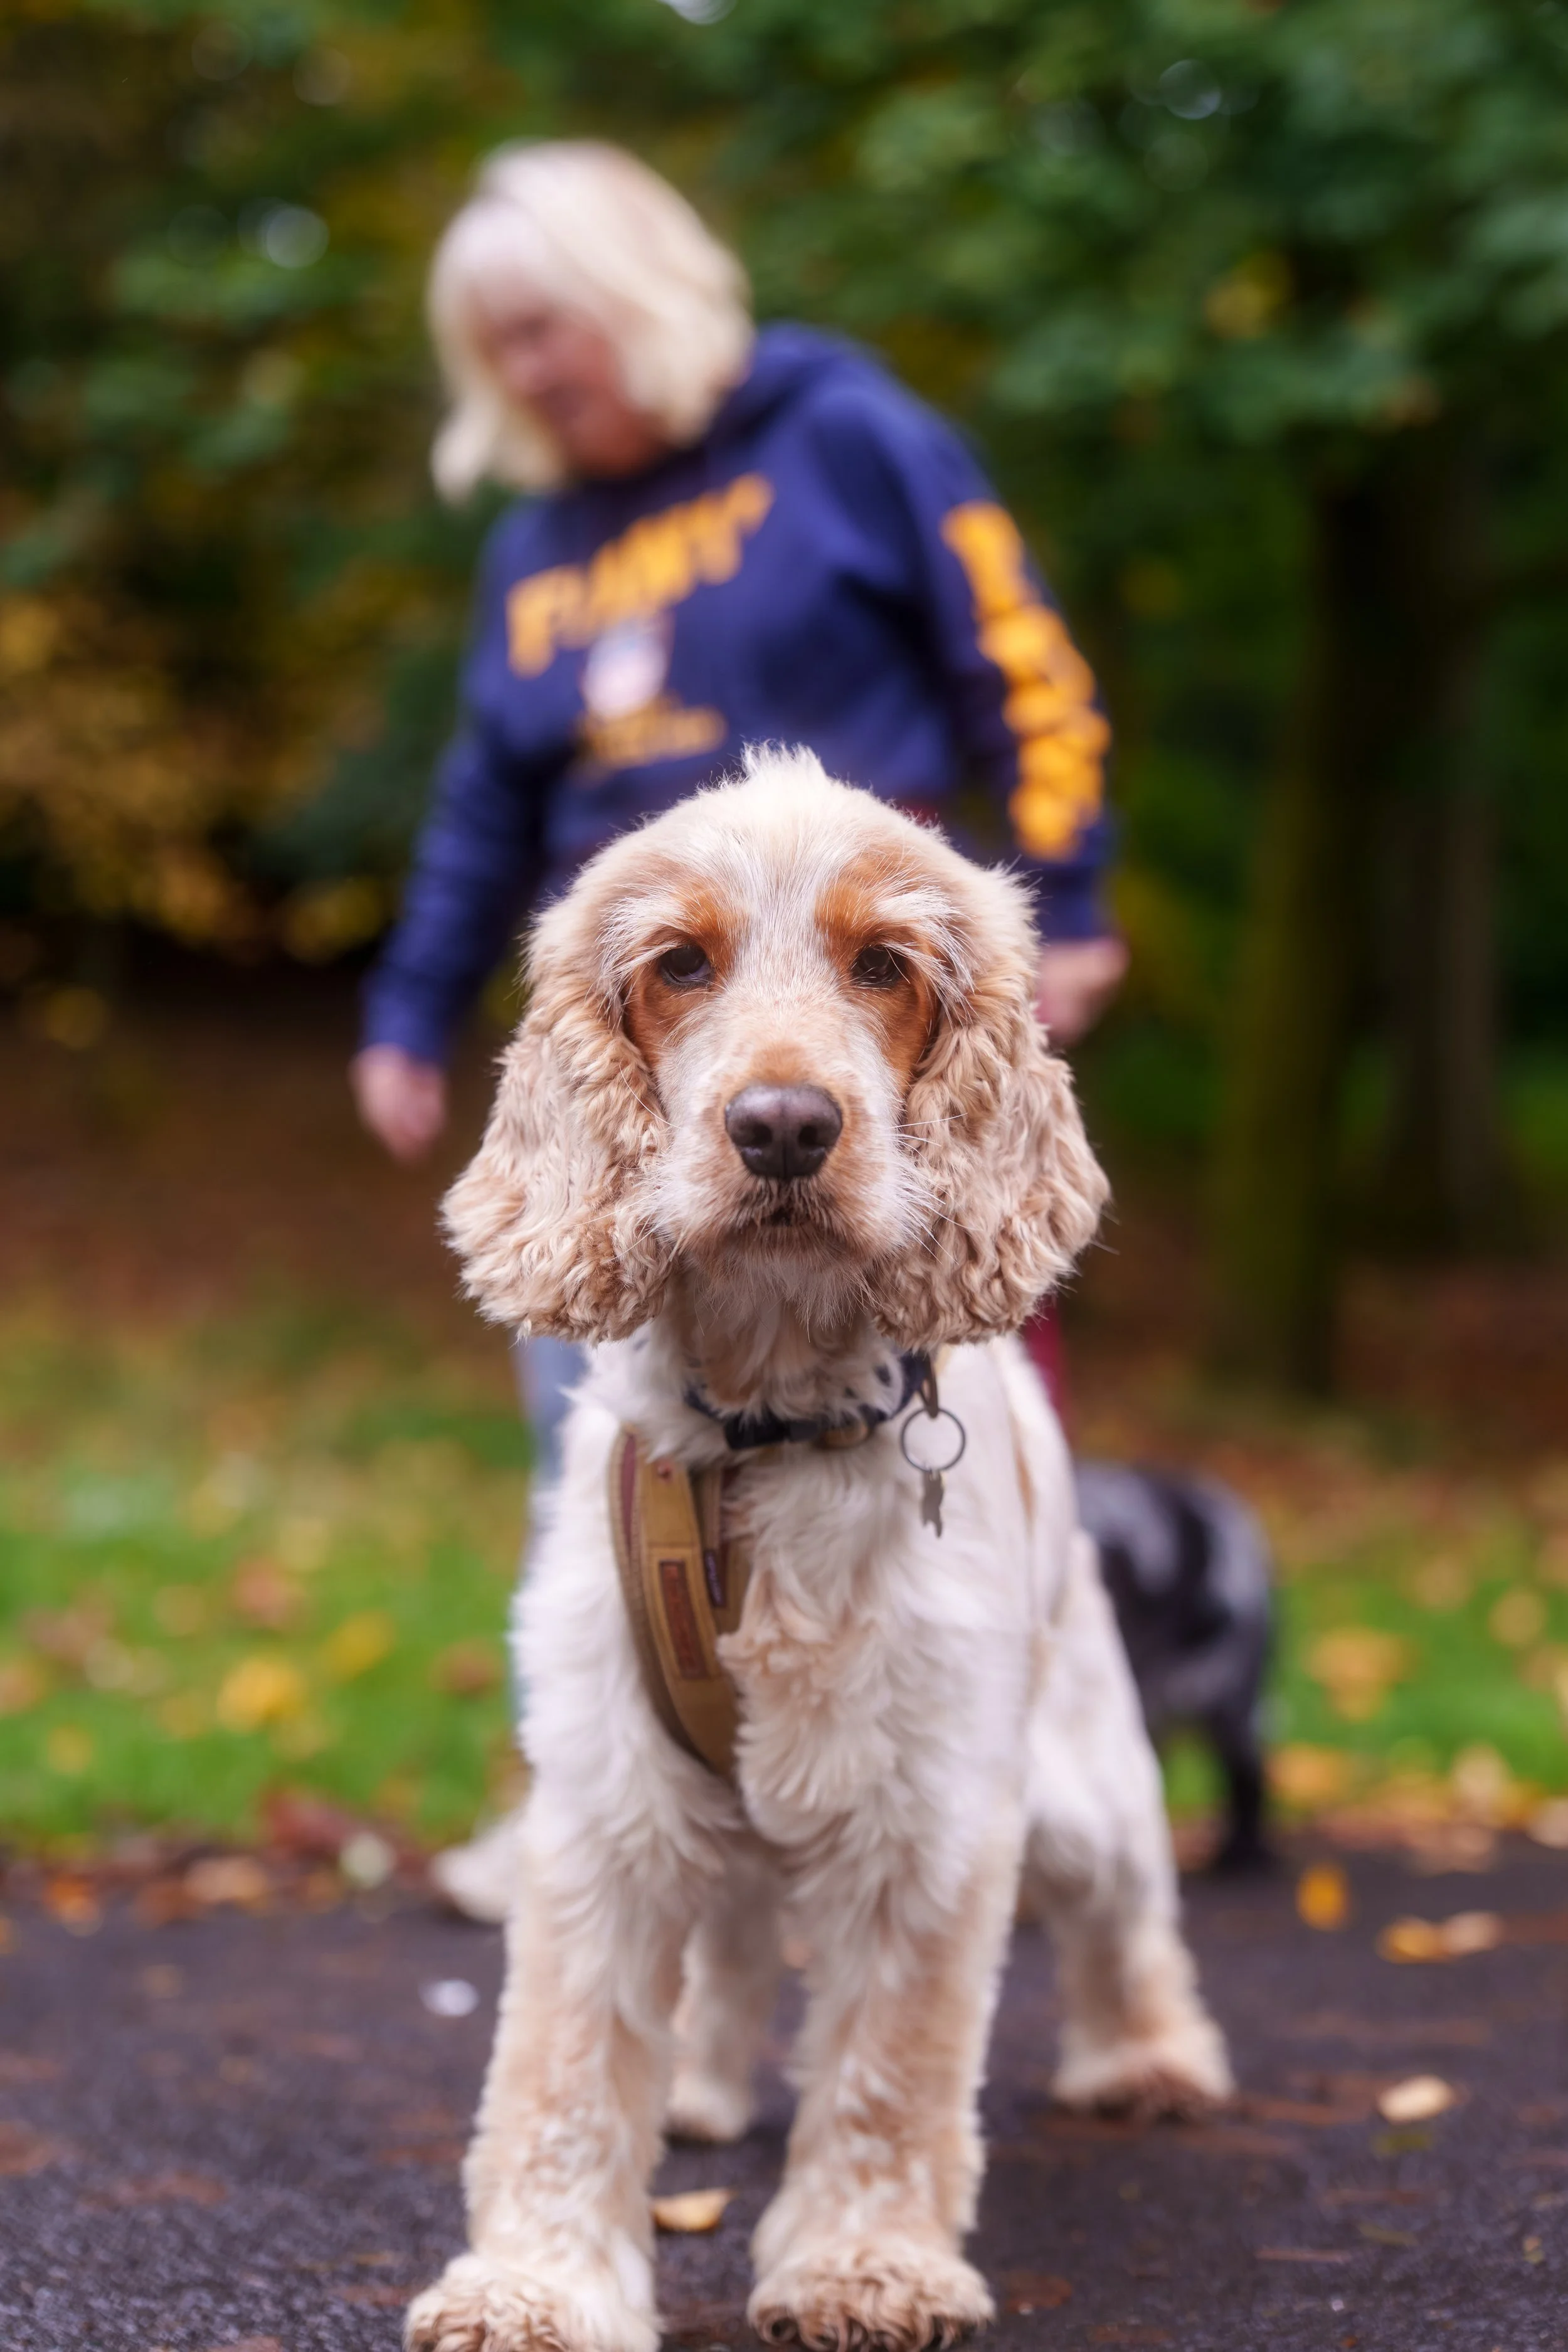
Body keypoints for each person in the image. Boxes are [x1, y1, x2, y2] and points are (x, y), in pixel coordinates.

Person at [351, 140, 1126, 1910]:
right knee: (596, 1420)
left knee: (955, 1406)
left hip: (865, 1036)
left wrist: (1062, 894)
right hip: (653, 1048)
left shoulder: (842, 434)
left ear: (635, 288)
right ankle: (617, 1799)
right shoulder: (538, 549)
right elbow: (484, 804)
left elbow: (1020, 657)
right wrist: (408, 1004)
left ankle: (976, 1775)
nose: (534, 373)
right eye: (500, 347)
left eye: (548, 325)